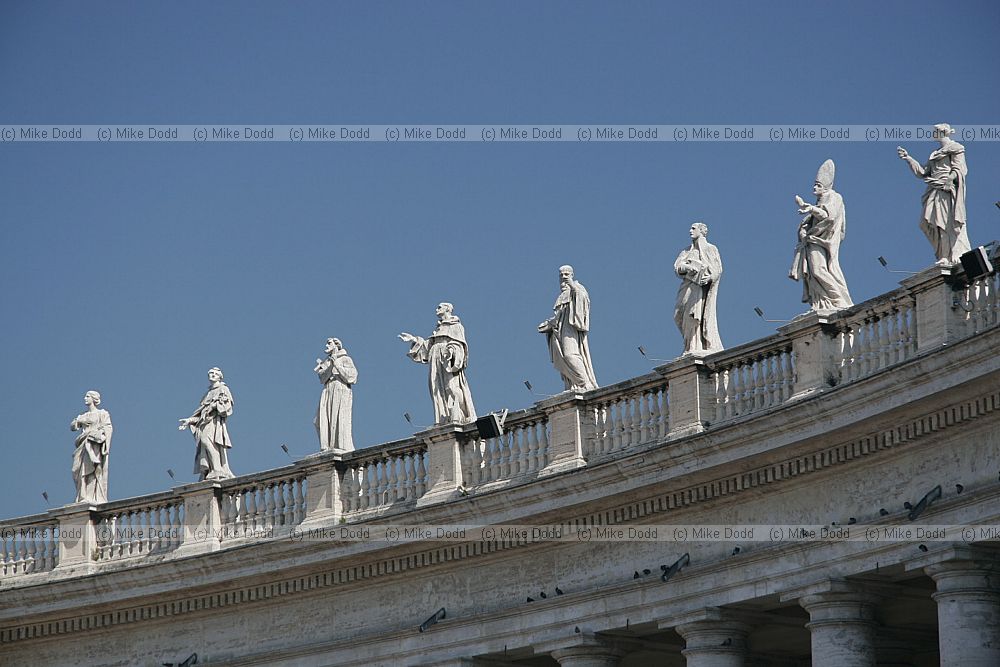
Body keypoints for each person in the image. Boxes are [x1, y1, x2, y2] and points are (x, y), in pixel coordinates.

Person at [897, 123, 971, 265]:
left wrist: (949, 180)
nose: (933, 133)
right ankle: (943, 253)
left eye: (935, 131)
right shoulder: (935, 153)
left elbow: (960, 169)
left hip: (946, 189)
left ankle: (947, 255)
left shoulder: (956, 148)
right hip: (934, 188)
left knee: (944, 222)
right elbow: (924, 172)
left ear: (942, 132)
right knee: (928, 222)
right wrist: (908, 158)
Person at [788, 159, 853, 312]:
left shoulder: (834, 197)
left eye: (818, 185)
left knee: (819, 270)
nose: (814, 187)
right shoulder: (820, 201)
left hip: (821, 241)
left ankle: (838, 300)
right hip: (812, 241)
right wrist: (804, 226)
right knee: (813, 274)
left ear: (826, 187)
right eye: (815, 184)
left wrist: (809, 208)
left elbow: (828, 216)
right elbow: (815, 219)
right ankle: (822, 302)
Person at [399, 303, 476, 425]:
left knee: (451, 387)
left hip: (446, 358)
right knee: (437, 389)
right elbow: (427, 346)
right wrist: (414, 339)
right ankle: (444, 417)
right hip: (435, 358)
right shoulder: (439, 328)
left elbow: (461, 344)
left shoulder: (456, 326)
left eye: (439, 307)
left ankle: (461, 413)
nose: (436, 309)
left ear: (447, 309)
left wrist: (452, 350)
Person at [537, 265, 598, 392]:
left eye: (566, 274)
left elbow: (583, 300)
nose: (564, 277)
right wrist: (549, 324)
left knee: (571, 355)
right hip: (560, 331)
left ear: (572, 275)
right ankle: (574, 385)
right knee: (564, 357)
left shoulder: (578, 288)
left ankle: (585, 384)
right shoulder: (563, 295)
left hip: (571, 330)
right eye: (561, 275)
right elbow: (559, 317)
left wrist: (573, 286)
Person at [674, 222, 724, 355]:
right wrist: (687, 267)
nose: (690, 231)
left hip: (700, 289)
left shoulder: (710, 249)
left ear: (701, 231)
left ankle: (693, 347)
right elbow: (677, 267)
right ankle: (689, 344)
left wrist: (709, 278)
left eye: (693, 228)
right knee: (678, 315)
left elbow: (718, 269)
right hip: (687, 287)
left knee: (693, 315)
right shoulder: (686, 251)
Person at [178, 367, 235, 481]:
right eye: (210, 373)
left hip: (214, 423)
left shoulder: (223, 389)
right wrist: (189, 420)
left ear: (220, 377)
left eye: (215, 374)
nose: (212, 375)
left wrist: (215, 406)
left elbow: (227, 408)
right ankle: (212, 469)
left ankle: (217, 469)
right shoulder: (208, 394)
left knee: (207, 441)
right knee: (204, 444)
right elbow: (201, 413)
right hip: (204, 423)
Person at [314, 337, 358, 452]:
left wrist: (337, 364)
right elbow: (322, 378)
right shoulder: (327, 362)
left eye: (329, 343)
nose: (327, 345)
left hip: (340, 388)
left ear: (336, 345)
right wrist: (330, 365)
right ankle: (326, 445)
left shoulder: (345, 359)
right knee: (319, 421)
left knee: (338, 417)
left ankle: (340, 446)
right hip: (328, 389)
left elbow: (352, 377)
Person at [70, 390, 113, 504]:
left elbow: (108, 428)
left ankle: (90, 497)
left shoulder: (102, 414)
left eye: (87, 396)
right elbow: (73, 426)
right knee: (76, 469)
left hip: (94, 445)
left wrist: (99, 435)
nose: (85, 398)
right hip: (83, 444)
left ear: (94, 399)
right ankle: (81, 495)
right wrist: (80, 421)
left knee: (93, 470)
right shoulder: (83, 415)